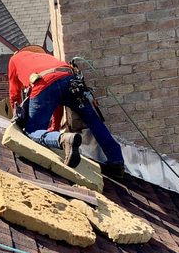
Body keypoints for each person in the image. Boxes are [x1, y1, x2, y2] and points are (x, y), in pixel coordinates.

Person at [7, 44, 126, 179]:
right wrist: (55, 127)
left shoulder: (14, 59)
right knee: (93, 120)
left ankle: (63, 140)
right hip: (70, 79)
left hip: (43, 83)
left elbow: (14, 95)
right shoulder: (45, 57)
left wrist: (16, 116)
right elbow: (57, 101)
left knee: (32, 131)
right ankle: (117, 162)